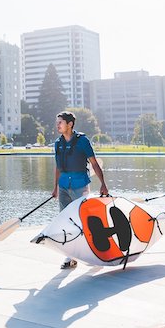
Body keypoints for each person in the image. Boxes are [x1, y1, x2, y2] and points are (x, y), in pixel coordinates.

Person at [52, 111, 108, 269]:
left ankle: (96, 252)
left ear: (70, 124)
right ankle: (70, 257)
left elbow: (94, 163)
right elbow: (58, 167)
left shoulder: (83, 141)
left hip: (80, 185)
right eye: (57, 122)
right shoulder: (58, 143)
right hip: (63, 185)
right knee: (65, 221)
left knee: (85, 220)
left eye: (60, 122)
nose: (58, 125)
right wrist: (55, 187)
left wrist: (103, 184)